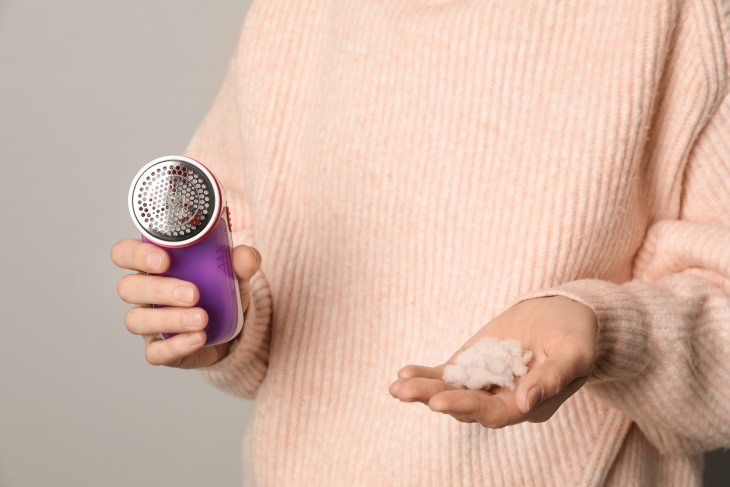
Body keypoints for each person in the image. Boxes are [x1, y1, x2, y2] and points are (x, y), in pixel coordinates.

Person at [111, 1, 730, 485]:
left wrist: (605, 329)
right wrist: (221, 323)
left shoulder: (672, 15)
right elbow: (248, 265)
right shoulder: (289, 14)